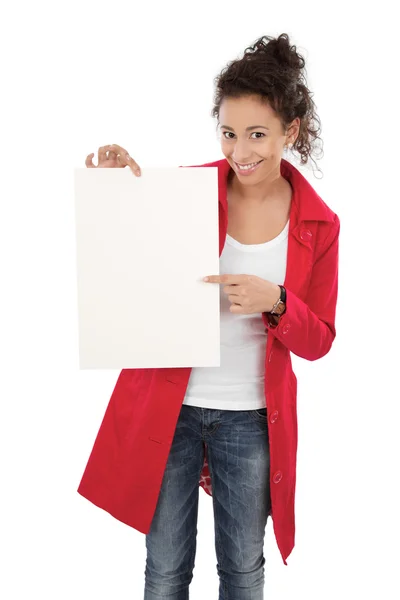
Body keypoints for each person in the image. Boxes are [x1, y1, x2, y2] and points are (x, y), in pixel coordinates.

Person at [80, 33, 340, 599]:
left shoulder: (319, 223)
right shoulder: (187, 190)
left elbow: (319, 340)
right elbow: (131, 256)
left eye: (257, 135)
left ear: (289, 132)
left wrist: (276, 302)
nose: (240, 151)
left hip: (249, 417)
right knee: (165, 568)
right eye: (228, 133)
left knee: (243, 569)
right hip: (168, 407)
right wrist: (115, 185)